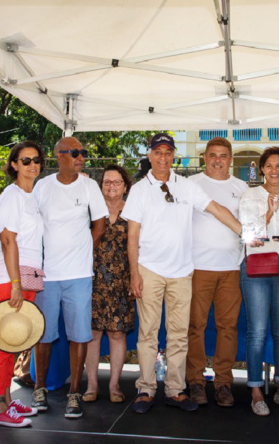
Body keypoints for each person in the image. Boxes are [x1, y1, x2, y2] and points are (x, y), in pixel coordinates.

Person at [122, 133, 242, 414]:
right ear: (150, 155)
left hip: (182, 272)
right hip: (149, 270)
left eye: (168, 151)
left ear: (174, 155)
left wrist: (244, 232)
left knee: (178, 335)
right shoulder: (140, 190)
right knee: (148, 333)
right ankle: (146, 388)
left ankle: (175, 389)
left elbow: (216, 209)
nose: (163, 157)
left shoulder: (187, 186)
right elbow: (132, 236)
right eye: (158, 152)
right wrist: (134, 274)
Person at [32, 137, 107, 419]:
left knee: (79, 336)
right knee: (43, 334)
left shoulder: (89, 186)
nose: (81, 157)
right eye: (75, 153)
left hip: (79, 275)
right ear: (59, 156)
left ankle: (74, 392)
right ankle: (40, 388)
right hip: (47, 275)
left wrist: (86, 247)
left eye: (83, 153)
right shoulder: (43, 186)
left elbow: (100, 222)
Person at [0, 141, 45, 428]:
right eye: (26, 159)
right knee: (1, 342)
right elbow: (8, 240)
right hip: (9, 277)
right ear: (14, 164)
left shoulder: (31, 196)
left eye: (37, 159)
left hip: (27, 274)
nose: (33, 164)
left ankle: (7, 399)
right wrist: (16, 283)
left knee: (14, 340)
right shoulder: (12, 195)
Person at [186, 137, 249, 407]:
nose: (217, 160)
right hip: (198, 268)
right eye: (212, 155)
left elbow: (249, 225)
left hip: (231, 269)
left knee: (228, 327)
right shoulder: (191, 185)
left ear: (231, 159)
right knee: (195, 327)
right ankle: (196, 382)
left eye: (223, 155)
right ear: (204, 158)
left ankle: (223, 382)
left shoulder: (242, 187)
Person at [239, 147, 279, 417]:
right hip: (257, 267)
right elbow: (247, 233)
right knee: (257, 332)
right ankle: (255, 391)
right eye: (269, 166)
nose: (274, 170)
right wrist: (269, 212)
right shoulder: (250, 194)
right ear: (261, 169)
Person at [84, 164, 135, 404]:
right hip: (92, 279)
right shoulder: (91, 210)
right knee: (93, 334)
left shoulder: (134, 211)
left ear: (125, 186)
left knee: (116, 334)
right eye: (106, 182)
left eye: (116, 182)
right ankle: (92, 384)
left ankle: (114, 385)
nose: (111, 186)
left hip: (122, 281)